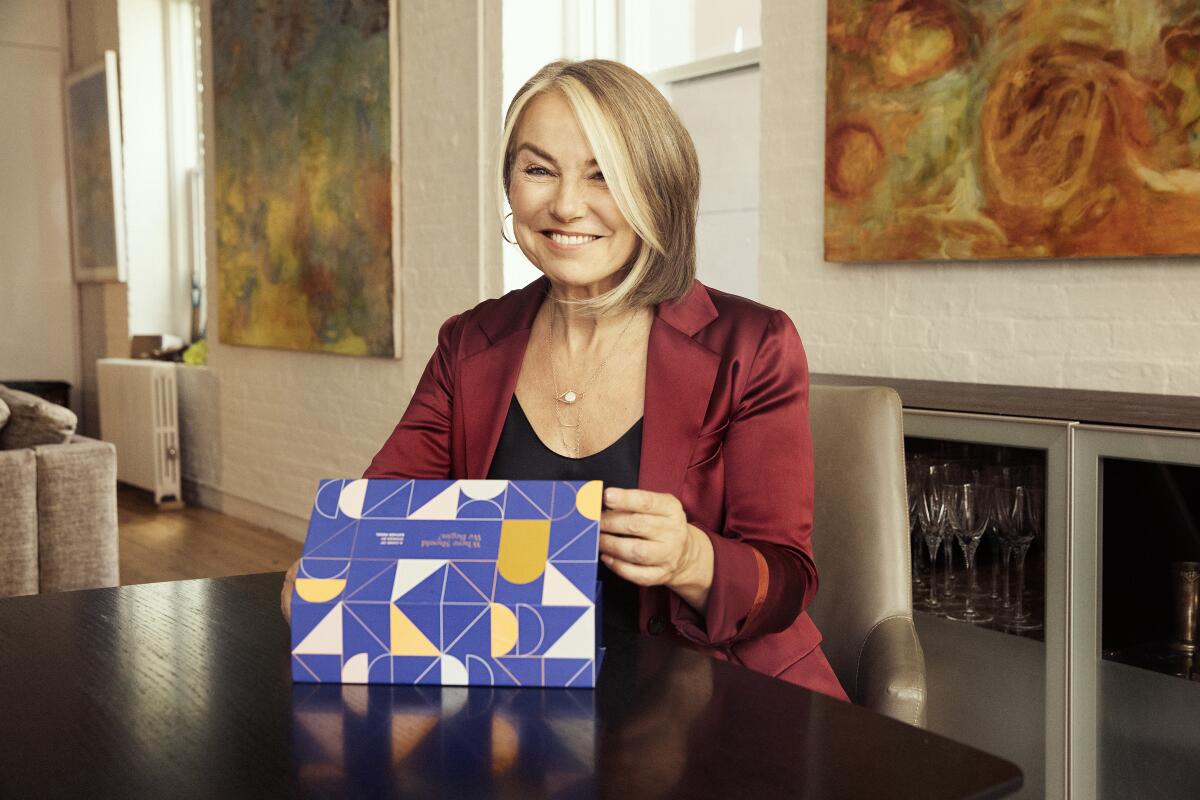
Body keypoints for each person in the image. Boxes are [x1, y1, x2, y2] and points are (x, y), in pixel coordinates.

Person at [283, 59, 847, 701]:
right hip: (515, 696)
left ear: (656, 188)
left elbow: (788, 578)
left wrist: (693, 559)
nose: (566, 204)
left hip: (713, 699)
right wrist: (333, 569)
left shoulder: (753, 344)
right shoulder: (470, 342)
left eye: (602, 174)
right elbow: (382, 516)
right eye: (538, 169)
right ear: (510, 186)